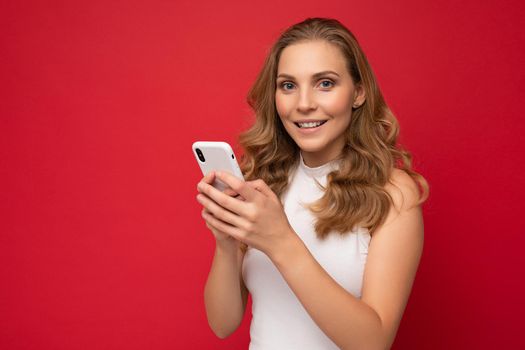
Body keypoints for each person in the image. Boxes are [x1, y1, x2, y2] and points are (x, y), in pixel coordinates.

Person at [196, 17, 429, 350]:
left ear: (358, 93)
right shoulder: (265, 183)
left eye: (325, 83)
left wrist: (280, 242)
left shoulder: (392, 193)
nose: (303, 103)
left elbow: (373, 342)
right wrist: (225, 242)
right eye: (288, 85)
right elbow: (223, 324)